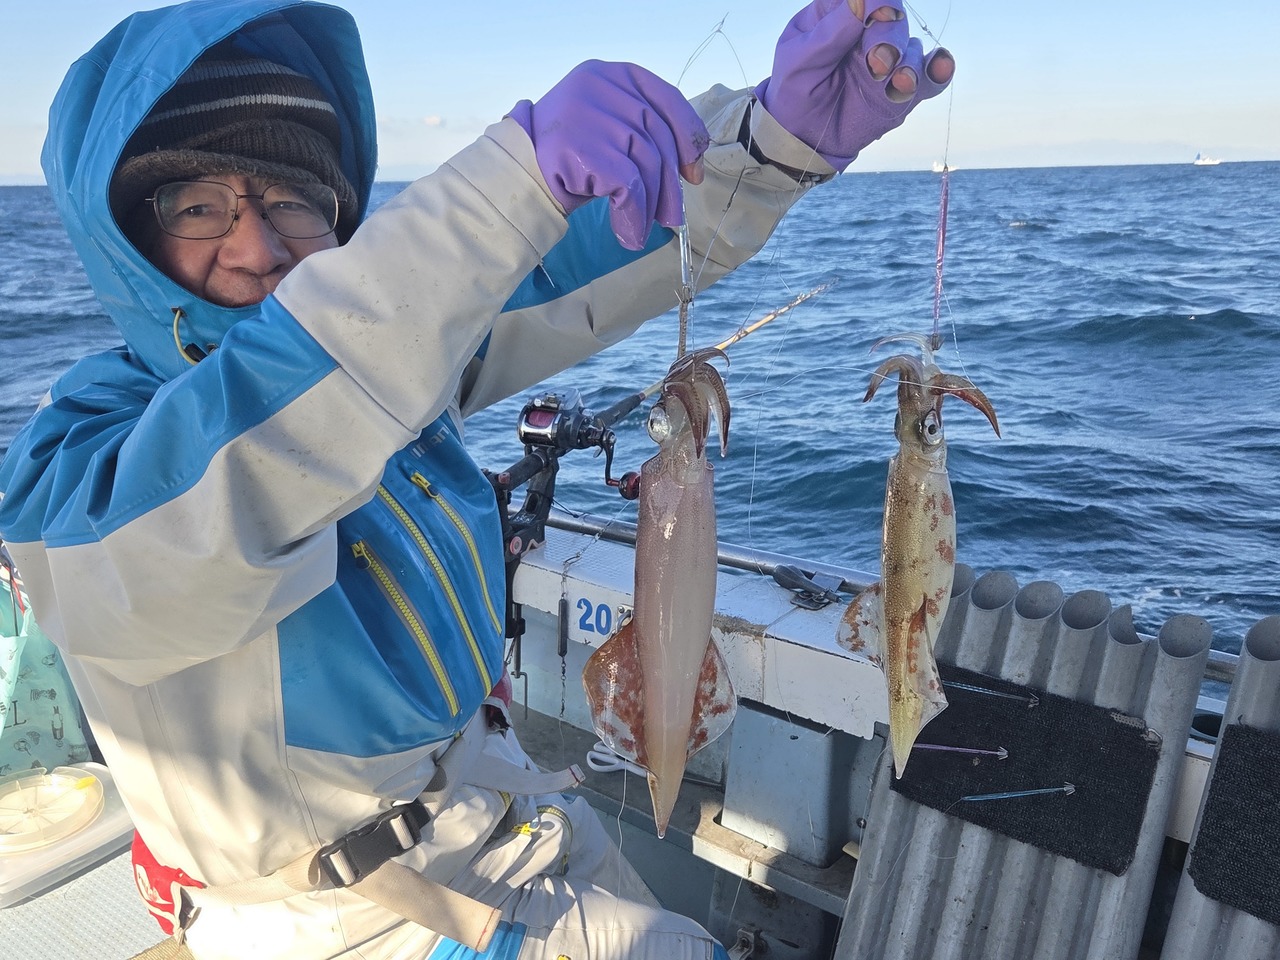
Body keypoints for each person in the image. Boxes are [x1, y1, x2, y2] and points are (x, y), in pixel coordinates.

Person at [0, 1, 952, 957]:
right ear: (125, 238)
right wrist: (509, 184)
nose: (259, 248)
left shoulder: (400, 367)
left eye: (293, 201)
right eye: (196, 206)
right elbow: (245, 456)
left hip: (500, 797)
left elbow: (555, 271)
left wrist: (768, 143)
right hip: (351, 916)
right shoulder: (77, 469)